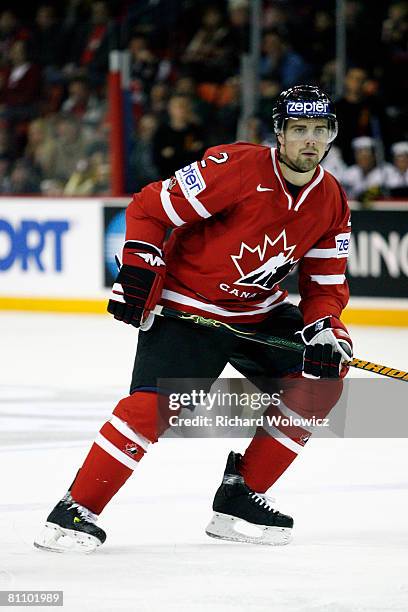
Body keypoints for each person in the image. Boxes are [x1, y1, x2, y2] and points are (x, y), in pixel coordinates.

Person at [34, 85, 353, 553]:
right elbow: (148, 206)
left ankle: (241, 496)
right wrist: (140, 263)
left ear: (331, 135)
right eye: (299, 129)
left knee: (322, 381)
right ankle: (74, 510)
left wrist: (327, 326)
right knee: (153, 409)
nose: (310, 140)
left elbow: (325, 283)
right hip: (191, 309)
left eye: (319, 130)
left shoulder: (331, 198)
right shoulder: (236, 168)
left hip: (259, 313)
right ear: (279, 134)